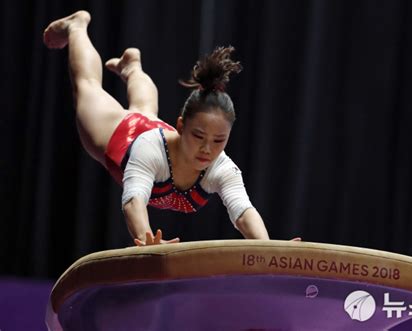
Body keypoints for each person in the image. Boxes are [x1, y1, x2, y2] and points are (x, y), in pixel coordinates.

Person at [43, 10, 301, 246]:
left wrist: (268, 250)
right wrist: (147, 240)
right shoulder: (149, 150)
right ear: (180, 125)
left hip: (153, 131)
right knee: (88, 86)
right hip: (120, 134)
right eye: (198, 136)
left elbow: (243, 212)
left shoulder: (222, 168)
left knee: (145, 109)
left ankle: (132, 68)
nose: (207, 148)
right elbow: (133, 201)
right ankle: (77, 27)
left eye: (218, 140)